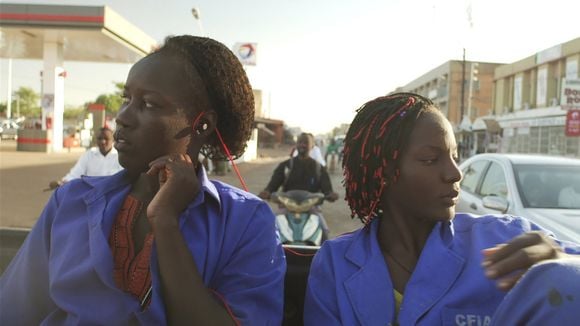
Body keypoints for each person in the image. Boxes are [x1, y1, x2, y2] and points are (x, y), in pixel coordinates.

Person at [1, 35, 286, 325]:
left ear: (202, 124)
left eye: (149, 104)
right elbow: (14, 311)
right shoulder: (70, 202)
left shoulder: (245, 221)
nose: (122, 117)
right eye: (127, 99)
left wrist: (165, 223)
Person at [304, 93, 580, 325]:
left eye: (455, 156)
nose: (455, 173)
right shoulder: (336, 264)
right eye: (430, 159)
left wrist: (564, 268)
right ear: (384, 172)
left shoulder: (507, 239)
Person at [258, 132, 338, 202]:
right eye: (300, 142)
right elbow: (274, 183)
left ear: (312, 146)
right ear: (296, 145)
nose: (302, 145)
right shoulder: (285, 165)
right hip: (287, 206)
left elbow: (326, 188)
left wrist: (330, 194)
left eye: (306, 143)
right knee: (276, 219)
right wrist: (267, 192)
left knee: (320, 220)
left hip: (312, 207)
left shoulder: (318, 168)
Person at [48, 127, 123, 189]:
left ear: (113, 140)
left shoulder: (120, 156)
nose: (103, 141)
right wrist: (61, 183)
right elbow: (75, 174)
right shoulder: (89, 155)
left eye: (106, 139)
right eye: (100, 139)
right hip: (92, 194)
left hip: (113, 194)